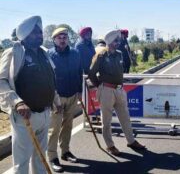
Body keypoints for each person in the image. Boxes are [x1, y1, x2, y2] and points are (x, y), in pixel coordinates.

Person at [0, 16, 61, 174]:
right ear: (24, 35)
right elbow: (1, 81)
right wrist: (17, 102)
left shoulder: (44, 53)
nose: (40, 35)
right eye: (35, 32)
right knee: (22, 162)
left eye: (40, 32)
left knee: (40, 158)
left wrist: (56, 101)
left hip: (45, 113)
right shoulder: (14, 52)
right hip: (25, 116)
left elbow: (50, 79)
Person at [88, 30, 146, 156]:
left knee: (125, 117)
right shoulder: (101, 55)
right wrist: (101, 87)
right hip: (106, 91)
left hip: (119, 90)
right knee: (106, 121)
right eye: (115, 41)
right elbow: (91, 74)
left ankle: (131, 141)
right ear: (109, 41)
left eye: (118, 40)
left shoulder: (119, 54)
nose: (118, 43)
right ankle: (110, 145)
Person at [47, 27, 83, 173]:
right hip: (57, 97)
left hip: (73, 94)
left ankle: (65, 151)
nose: (62, 39)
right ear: (54, 39)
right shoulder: (48, 55)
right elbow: (47, 77)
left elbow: (79, 72)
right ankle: (52, 156)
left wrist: (80, 91)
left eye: (65, 37)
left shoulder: (75, 53)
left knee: (68, 125)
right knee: (54, 128)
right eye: (59, 37)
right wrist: (53, 98)